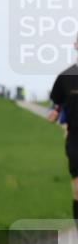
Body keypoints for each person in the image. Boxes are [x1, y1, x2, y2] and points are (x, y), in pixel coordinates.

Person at [47, 35, 78, 228]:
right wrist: (55, 112)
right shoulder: (66, 77)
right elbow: (57, 102)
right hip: (76, 139)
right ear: (76, 45)